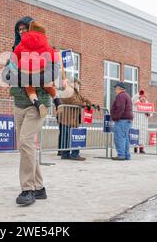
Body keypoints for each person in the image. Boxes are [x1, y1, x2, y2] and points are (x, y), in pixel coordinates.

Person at [9, 17, 49, 206]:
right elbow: (10, 75)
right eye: (19, 30)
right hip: (19, 103)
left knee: (26, 142)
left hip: (37, 104)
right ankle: (39, 187)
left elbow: (51, 75)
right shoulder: (15, 50)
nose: (22, 33)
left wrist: (32, 74)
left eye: (25, 29)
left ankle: (28, 190)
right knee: (26, 147)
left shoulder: (44, 49)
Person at [11, 20, 63, 118]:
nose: (21, 32)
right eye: (19, 30)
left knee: (29, 87)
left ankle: (37, 103)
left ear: (29, 31)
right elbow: (54, 56)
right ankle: (57, 100)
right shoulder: (46, 45)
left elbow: (14, 58)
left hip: (26, 70)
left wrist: (12, 70)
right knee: (47, 84)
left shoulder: (21, 44)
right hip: (40, 69)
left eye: (23, 29)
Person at [57, 77, 93, 161]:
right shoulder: (68, 90)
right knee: (71, 137)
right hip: (67, 117)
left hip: (72, 118)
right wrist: (84, 105)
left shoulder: (75, 91)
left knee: (69, 137)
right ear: (73, 82)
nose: (77, 85)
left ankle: (66, 154)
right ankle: (72, 154)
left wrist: (89, 102)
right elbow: (73, 101)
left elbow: (81, 98)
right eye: (77, 83)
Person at [110, 82, 133, 161]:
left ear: (119, 88)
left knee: (119, 137)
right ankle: (126, 155)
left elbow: (120, 108)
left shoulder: (121, 96)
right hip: (127, 120)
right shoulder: (127, 95)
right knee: (125, 138)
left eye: (116, 88)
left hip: (122, 120)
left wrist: (115, 117)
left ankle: (121, 155)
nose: (115, 90)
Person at [132, 90, 149, 154]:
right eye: (141, 97)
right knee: (136, 135)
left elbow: (151, 112)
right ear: (139, 97)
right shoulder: (136, 103)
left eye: (144, 97)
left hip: (144, 122)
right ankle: (135, 148)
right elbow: (132, 99)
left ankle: (141, 148)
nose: (143, 98)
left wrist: (148, 114)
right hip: (137, 121)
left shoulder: (147, 104)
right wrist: (138, 93)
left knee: (143, 136)